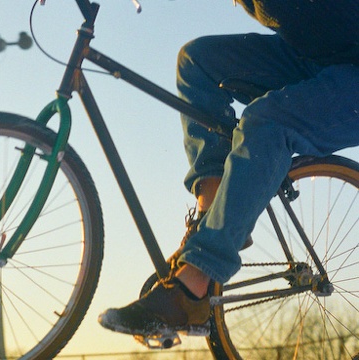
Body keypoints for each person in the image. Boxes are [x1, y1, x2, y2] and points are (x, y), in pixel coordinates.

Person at [98, 0, 359, 337]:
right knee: (197, 62)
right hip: (319, 57)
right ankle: (210, 213)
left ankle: (197, 282)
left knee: (268, 122)